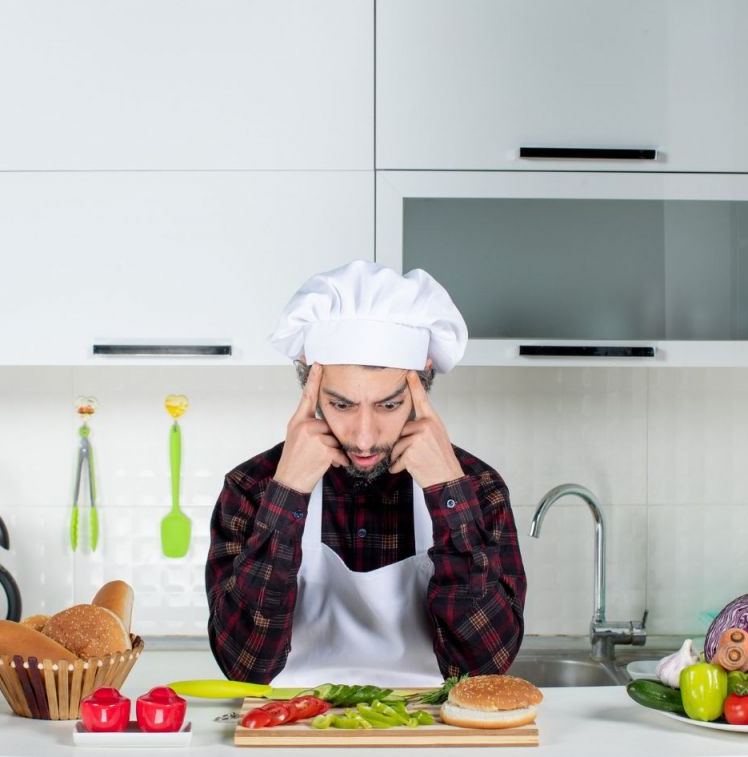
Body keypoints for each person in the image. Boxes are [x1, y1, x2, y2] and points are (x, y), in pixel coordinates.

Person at [205, 261, 526, 686]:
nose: (363, 437)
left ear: (423, 381)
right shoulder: (253, 488)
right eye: (341, 405)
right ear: (309, 383)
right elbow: (244, 667)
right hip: (292, 731)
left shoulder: (477, 489)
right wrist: (286, 494)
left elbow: (484, 671)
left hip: (432, 735)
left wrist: (449, 496)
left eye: (388, 405)